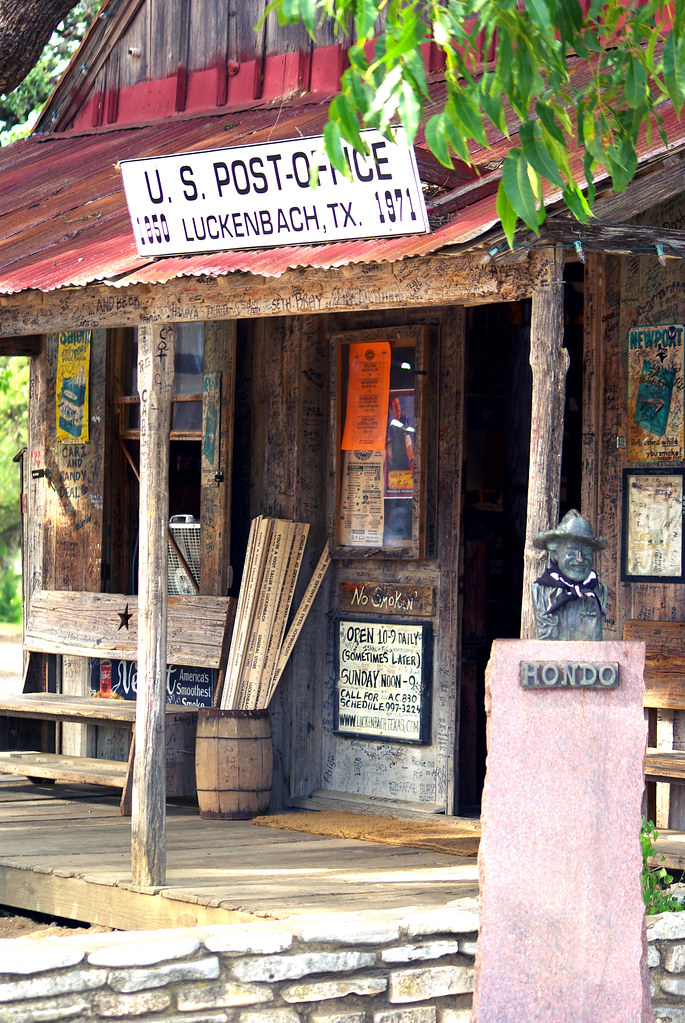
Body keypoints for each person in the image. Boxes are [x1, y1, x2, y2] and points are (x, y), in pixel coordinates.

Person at [532, 509, 608, 641]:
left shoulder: (599, 591)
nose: (580, 558)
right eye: (571, 551)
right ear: (556, 553)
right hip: (551, 661)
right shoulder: (540, 591)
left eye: (586, 551)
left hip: (589, 660)